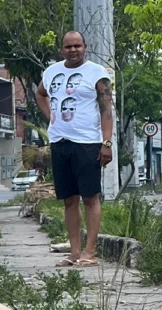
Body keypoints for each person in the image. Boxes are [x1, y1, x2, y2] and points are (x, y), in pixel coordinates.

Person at [35, 30, 113, 267]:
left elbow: (107, 110)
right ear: (62, 49)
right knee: (69, 199)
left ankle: (90, 253)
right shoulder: (51, 72)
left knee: (90, 197)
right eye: (68, 47)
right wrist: (51, 118)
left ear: (85, 47)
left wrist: (106, 143)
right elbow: (40, 94)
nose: (73, 50)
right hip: (60, 142)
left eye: (77, 46)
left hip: (87, 143)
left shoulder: (97, 73)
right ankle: (75, 253)